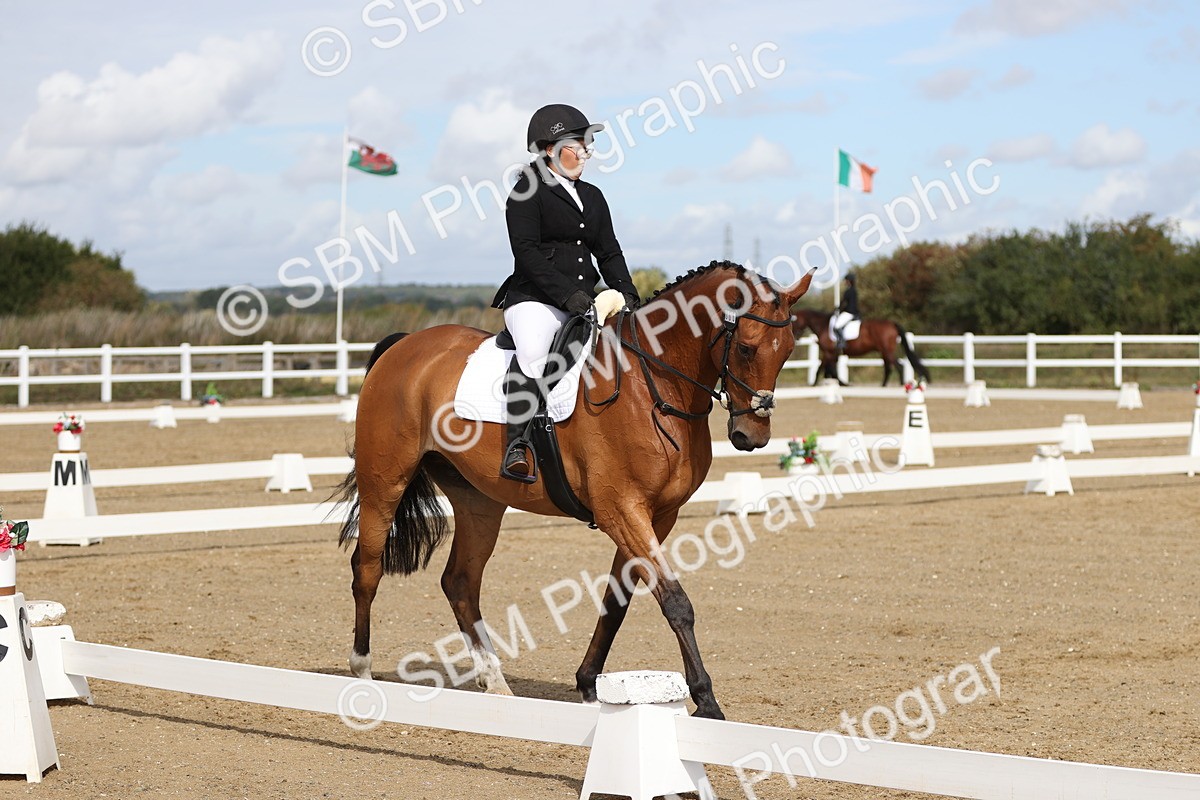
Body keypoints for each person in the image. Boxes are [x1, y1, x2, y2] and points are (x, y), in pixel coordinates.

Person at [490, 104, 641, 480]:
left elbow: (608, 251)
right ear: (550, 149)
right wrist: (567, 296)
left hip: (584, 301)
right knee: (535, 350)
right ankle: (518, 444)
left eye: (588, 144)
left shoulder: (592, 196)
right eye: (580, 143)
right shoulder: (526, 191)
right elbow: (526, 253)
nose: (588, 152)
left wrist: (627, 292)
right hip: (535, 300)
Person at [831, 273, 859, 351]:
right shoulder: (854, 290)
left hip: (849, 312)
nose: (845, 282)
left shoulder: (848, 291)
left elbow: (843, 303)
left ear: (849, 281)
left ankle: (842, 342)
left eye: (846, 281)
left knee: (836, 326)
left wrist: (837, 310)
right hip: (854, 312)